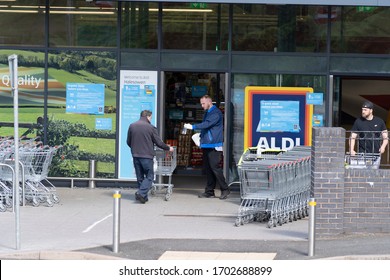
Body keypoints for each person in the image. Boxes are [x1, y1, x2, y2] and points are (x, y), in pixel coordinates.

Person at [184, 95, 230, 199]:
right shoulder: (208, 112)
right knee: (208, 169)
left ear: (209, 102)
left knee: (215, 168)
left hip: (214, 145)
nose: (202, 105)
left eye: (203, 103)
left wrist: (193, 127)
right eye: (201, 103)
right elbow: (206, 127)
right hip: (207, 144)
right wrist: (200, 137)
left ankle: (225, 189)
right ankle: (209, 191)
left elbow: (207, 124)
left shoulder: (215, 113)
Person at [127, 110, 174, 204]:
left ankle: (143, 197)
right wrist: (168, 148)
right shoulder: (151, 127)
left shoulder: (132, 126)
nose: (150, 119)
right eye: (151, 117)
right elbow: (158, 142)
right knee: (149, 176)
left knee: (140, 177)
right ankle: (141, 193)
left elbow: (128, 141)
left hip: (135, 155)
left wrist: (135, 149)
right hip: (147, 156)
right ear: (148, 116)